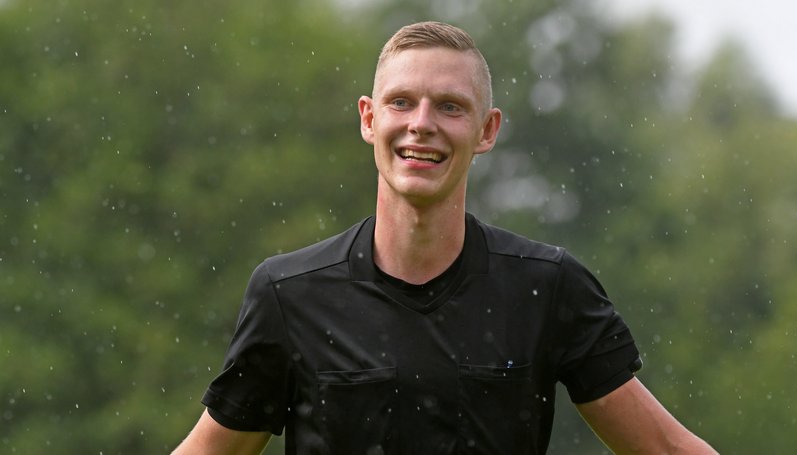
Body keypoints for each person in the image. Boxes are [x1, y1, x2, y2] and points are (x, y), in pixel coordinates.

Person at [173, 21, 717, 454]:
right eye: (401, 102)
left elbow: (667, 449)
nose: (421, 123)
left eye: (450, 106)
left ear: (487, 130)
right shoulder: (290, 294)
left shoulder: (547, 287)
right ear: (368, 119)